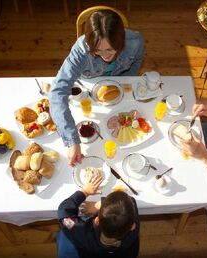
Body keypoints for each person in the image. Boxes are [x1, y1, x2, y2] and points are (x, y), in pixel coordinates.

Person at [49, 9, 145, 166]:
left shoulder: (135, 42)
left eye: (110, 49)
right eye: (98, 51)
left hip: (119, 90)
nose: (105, 56)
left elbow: (137, 62)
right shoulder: (80, 50)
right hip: (87, 91)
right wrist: (72, 141)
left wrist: (125, 80)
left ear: (121, 41)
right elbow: (57, 92)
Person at [56, 174, 140, 258]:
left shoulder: (81, 231)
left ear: (97, 221)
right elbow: (131, 200)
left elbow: (64, 212)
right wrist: (103, 204)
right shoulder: (134, 231)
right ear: (132, 226)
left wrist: (85, 192)